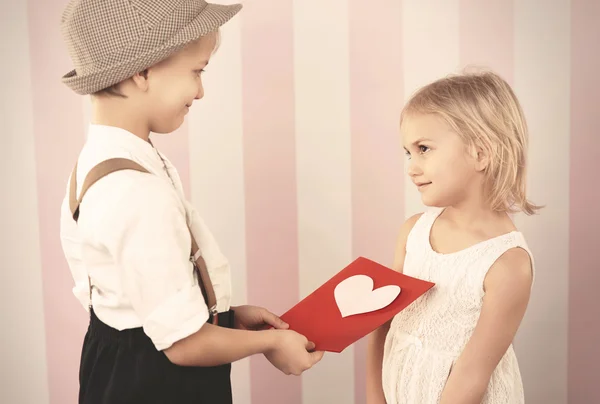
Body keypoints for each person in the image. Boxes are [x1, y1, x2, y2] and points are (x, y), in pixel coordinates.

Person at [58, 1, 323, 403]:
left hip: (120, 361)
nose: (200, 91)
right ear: (142, 72)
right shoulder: (135, 192)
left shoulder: (100, 161)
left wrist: (225, 320)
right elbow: (182, 344)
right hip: (156, 383)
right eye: (196, 71)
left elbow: (136, 298)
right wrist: (268, 345)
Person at [366, 70, 540, 404]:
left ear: (480, 153)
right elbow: (381, 326)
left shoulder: (507, 264)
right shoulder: (413, 233)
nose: (411, 167)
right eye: (408, 152)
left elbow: (473, 375)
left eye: (424, 149)